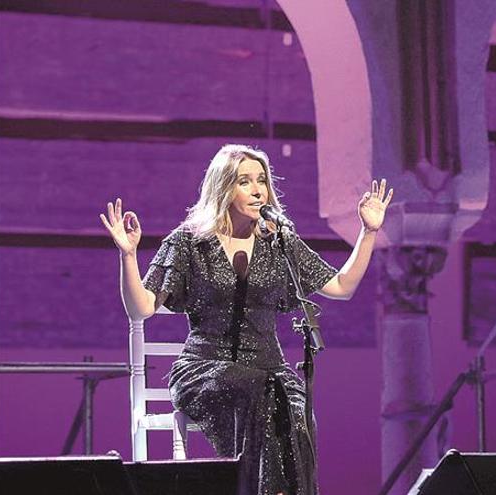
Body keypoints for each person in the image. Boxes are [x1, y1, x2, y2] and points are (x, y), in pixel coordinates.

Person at [100, 144, 393, 495]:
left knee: (297, 411)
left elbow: (342, 286)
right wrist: (128, 256)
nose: (258, 190)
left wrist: (369, 232)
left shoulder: (279, 241)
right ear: (223, 188)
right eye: (245, 181)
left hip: (270, 368)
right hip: (206, 367)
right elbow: (142, 308)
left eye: (262, 181)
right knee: (261, 394)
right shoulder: (190, 242)